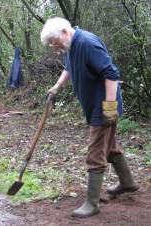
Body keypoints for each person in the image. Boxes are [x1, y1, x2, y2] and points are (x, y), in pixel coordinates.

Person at [40, 17, 139, 218]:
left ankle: (92, 204)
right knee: (109, 146)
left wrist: (109, 108)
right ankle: (127, 183)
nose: (54, 46)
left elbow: (111, 74)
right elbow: (69, 67)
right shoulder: (71, 46)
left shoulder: (87, 43)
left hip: (104, 106)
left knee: (95, 153)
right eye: (51, 43)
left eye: (54, 41)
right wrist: (57, 86)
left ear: (65, 31)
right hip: (94, 104)